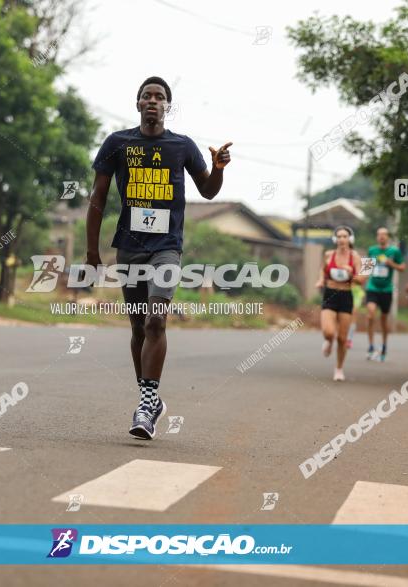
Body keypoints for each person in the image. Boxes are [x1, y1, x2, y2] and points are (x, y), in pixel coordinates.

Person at [86, 77, 231, 440]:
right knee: (137, 327)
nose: (153, 101)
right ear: (137, 104)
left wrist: (218, 168)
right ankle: (150, 398)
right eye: (147, 96)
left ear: (167, 106)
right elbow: (97, 199)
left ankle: (146, 407)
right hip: (129, 248)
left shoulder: (182, 146)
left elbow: (209, 192)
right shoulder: (117, 144)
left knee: (155, 321)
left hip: (166, 247)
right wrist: (92, 251)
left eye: (160, 97)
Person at [315, 226, 364, 382]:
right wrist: (321, 280)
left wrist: (351, 273)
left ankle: (339, 368)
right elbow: (322, 270)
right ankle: (328, 341)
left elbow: (362, 280)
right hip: (330, 294)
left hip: (346, 296)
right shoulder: (328, 254)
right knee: (329, 332)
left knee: (342, 338)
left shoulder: (357, 257)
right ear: (335, 239)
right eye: (340, 236)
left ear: (350, 239)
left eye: (345, 236)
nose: (342, 239)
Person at [364, 227, 406, 361]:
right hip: (372, 287)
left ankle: (384, 347)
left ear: (388, 237)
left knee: (383, 320)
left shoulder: (394, 251)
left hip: (387, 289)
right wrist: (361, 279)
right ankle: (371, 346)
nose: (381, 237)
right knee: (370, 314)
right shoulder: (372, 250)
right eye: (379, 235)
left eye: (384, 235)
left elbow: (402, 268)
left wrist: (390, 263)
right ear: (377, 237)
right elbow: (366, 269)